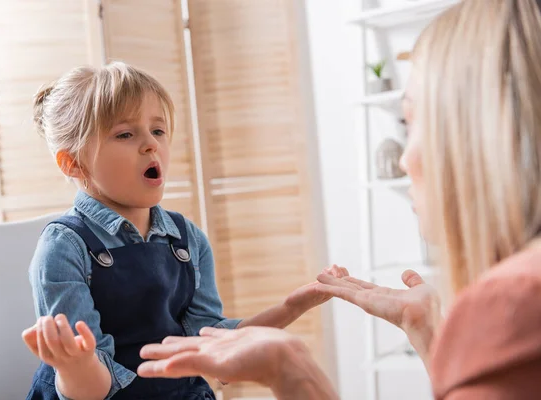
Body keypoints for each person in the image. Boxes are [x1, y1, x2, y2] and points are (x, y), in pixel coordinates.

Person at [136, 1, 541, 399]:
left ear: (479, 133)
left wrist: (293, 371)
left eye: (410, 121)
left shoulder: (516, 303)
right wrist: (426, 330)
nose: (403, 157)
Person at [19, 61, 347, 400]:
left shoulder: (186, 239)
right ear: (73, 162)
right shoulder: (64, 248)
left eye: (158, 131)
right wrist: (76, 365)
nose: (151, 145)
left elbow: (212, 343)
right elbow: (90, 389)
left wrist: (291, 308)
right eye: (125, 134)